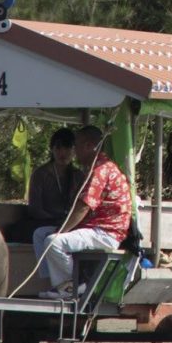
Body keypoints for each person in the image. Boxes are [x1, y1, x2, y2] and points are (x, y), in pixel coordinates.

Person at [39, 124, 133, 300]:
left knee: (53, 242)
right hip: (98, 229)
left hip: (105, 233)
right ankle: (60, 285)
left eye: (76, 146)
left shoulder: (100, 170)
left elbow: (83, 207)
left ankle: (73, 286)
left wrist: (62, 230)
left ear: (89, 146)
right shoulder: (99, 167)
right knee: (42, 234)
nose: (74, 151)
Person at [25, 127, 81, 264]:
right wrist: (56, 219)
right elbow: (35, 209)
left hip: (70, 224)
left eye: (68, 148)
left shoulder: (79, 175)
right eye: (58, 148)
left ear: (74, 150)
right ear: (52, 149)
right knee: (41, 234)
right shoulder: (41, 174)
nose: (63, 153)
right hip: (46, 222)